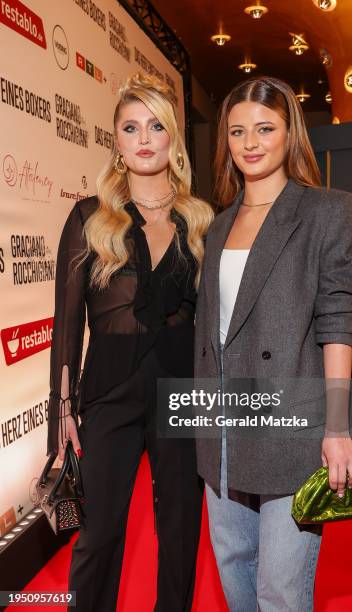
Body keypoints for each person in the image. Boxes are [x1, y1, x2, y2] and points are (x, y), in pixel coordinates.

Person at [194, 76, 352, 611]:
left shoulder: (326, 210)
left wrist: (338, 427)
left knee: (280, 588)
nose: (250, 142)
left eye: (264, 128)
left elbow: (338, 320)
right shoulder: (217, 225)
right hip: (223, 423)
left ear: (289, 133)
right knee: (234, 573)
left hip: (293, 422)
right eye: (236, 131)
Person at [47, 73, 213, 612]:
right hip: (108, 393)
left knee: (182, 531)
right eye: (131, 127)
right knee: (97, 535)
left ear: (172, 141)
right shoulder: (90, 219)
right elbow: (67, 325)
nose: (144, 138)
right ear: (116, 142)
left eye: (157, 126)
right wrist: (63, 409)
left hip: (183, 393)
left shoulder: (201, 220)